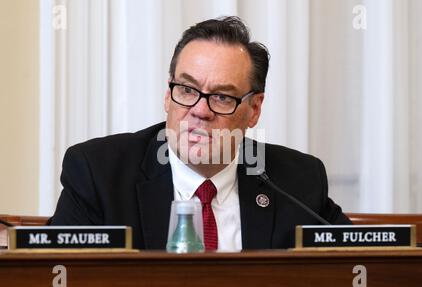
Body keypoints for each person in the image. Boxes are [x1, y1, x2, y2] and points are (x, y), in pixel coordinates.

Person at [50, 16, 351, 251]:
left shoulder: (298, 181)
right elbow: (60, 280)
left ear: (255, 109)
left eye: (222, 97)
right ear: (168, 95)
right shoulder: (98, 173)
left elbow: (359, 268)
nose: (200, 110)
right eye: (186, 89)